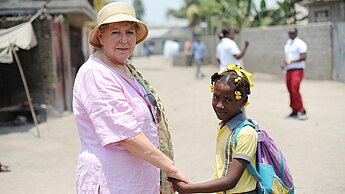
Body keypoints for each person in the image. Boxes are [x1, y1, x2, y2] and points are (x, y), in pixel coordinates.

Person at [72, 2, 188, 193]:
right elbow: (127, 135)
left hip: (139, 180)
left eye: (130, 33)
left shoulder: (126, 69)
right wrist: (171, 168)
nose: (124, 40)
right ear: (101, 36)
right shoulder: (96, 73)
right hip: (114, 182)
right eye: (115, 32)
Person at [168, 64, 258, 194]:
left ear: (243, 102)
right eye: (216, 97)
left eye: (228, 100)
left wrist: (187, 189)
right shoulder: (225, 126)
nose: (220, 105)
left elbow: (230, 181)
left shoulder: (246, 133)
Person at [282, 27, 308, 120]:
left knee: (294, 89)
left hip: (297, 69)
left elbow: (304, 57)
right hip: (289, 69)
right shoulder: (288, 43)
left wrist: (291, 62)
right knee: (290, 89)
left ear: (296, 33)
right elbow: (288, 57)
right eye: (289, 33)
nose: (290, 34)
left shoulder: (300, 43)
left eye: (292, 33)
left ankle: (302, 110)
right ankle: (294, 110)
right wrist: (284, 64)